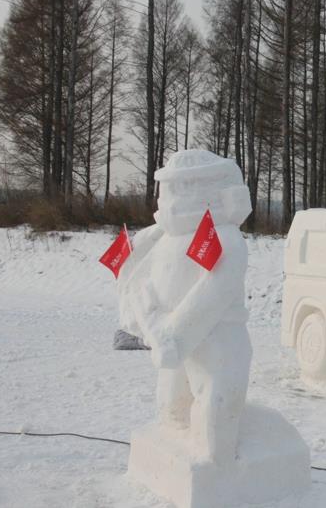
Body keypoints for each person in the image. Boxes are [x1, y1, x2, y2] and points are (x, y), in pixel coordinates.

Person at [117, 149, 252, 464]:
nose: (172, 199)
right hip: (172, 335)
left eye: (183, 188)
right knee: (172, 406)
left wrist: (173, 335)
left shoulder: (226, 239)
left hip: (219, 338)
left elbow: (211, 295)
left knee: (215, 407)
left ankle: (215, 466)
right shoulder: (162, 238)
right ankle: (179, 443)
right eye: (170, 189)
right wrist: (147, 314)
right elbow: (145, 278)